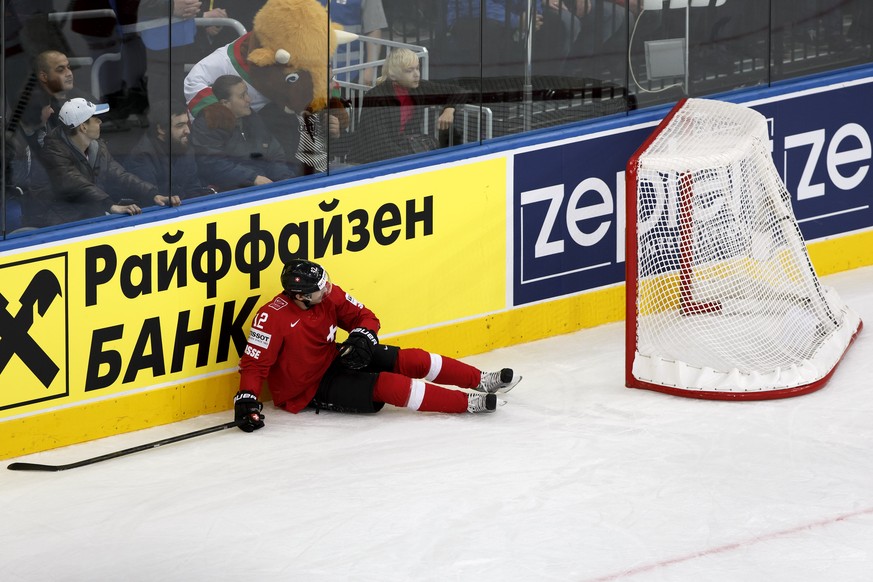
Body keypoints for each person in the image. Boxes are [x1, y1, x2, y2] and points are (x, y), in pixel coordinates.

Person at [233, 259, 522, 431]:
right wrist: (246, 400)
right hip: (306, 389)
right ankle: (465, 404)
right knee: (390, 386)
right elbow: (255, 364)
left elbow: (365, 316)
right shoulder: (272, 317)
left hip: (332, 358)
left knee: (415, 360)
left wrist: (362, 335)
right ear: (300, 296)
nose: (328, 290)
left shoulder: (328, 296)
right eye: (320, 289)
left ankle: (480, 380)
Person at [39, 98, 178, 225]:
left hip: (93, 216)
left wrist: (152, 194)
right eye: (96, 119)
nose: (100, 122)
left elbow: (119, 175)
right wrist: (109, 205)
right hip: (64, 224)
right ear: (83, 127)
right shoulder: (54, 151)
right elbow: (75, 182)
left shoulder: (97, 147)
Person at [348, 48, 468, 164]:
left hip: (405, 151)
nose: (416, 74)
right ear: (393, 75)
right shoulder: (376, 97)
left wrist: (449, 109)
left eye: (417, 68)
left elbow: (459, 91)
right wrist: (414, 160)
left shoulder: (418, 88)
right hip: (370, 160)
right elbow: (380, 144)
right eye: (409, 71)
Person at [190, 74, 300, 190]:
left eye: (247, 93)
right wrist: (253, 178)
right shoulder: (209, 124)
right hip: (231, 192)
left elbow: (273, 152)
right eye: (242, 96)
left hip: (263, 184)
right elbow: (212, 164)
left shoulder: (251, 118)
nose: (249, 99)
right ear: (225, 103)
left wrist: (284, 178)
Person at [127, 99, 214, 199]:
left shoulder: (183, 146)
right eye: (180, 125)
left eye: (187, 123)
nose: (188, 131)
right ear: (161, 129)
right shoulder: (142, 156)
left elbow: (193, 188)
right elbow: (150, 200)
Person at [34, 50, 97, 132]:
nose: (69, 73)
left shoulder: (76, 93)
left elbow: (102, 112)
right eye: (60, 70)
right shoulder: (39, 107)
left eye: (69, 67)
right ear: (44, 77)